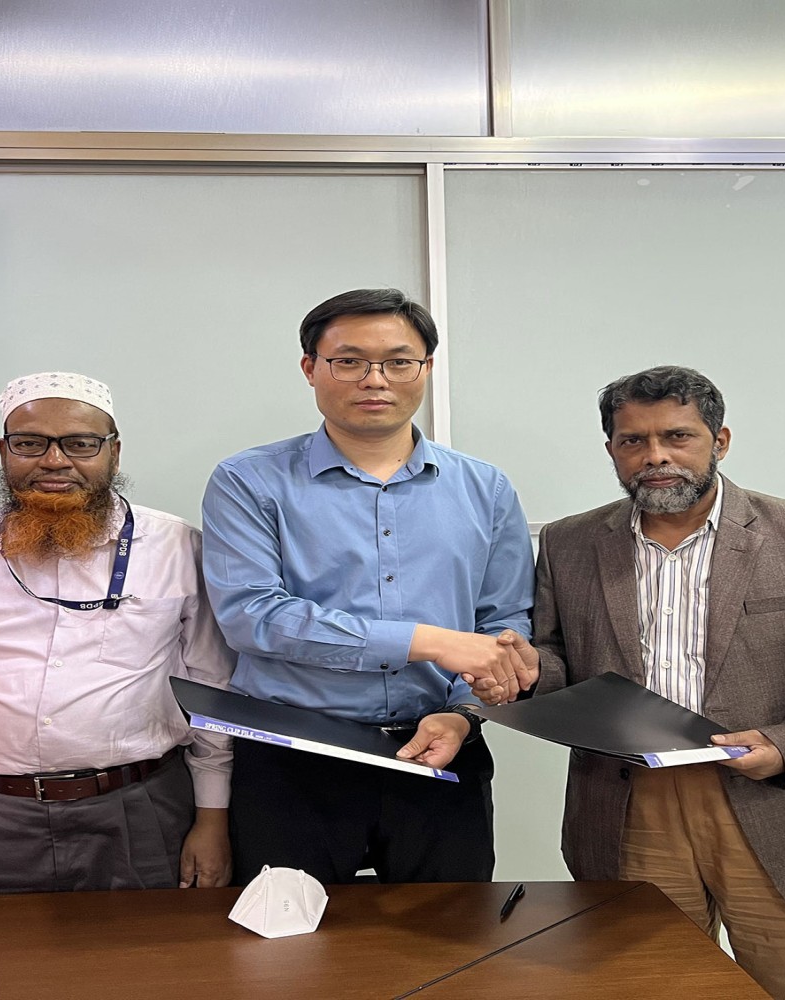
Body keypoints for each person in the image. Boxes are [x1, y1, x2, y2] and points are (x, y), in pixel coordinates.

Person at [532, 366, 785, 1000]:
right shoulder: (569, 543)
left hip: (784, 802)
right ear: (612, 448)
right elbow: (560, 659)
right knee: (652, 987)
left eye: (677, 436)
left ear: (719, 441)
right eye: (633, 440)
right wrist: (528, 671)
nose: (655, 456)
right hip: (629, 805)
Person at [201, 288, 537, 885]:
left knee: (448, 933)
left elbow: (503, 623)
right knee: (289, 939)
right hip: (293, 757)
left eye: (398, 362)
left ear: (426, 369)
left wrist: (464, 713)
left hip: (440, 750)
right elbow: (252, 616)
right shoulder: (247, 481)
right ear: (310, 368)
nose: (375, 379)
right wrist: (428, 641)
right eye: (349, 361)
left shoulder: (485, 488)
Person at [0, 372, 234, 896]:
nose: (54, 460)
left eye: (80, 443)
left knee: (151, 950)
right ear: (4, 451)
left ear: (114, 452)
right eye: (30, 443)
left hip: (143, 806)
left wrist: (212, 817)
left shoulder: (177, 547)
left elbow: (212, 689)